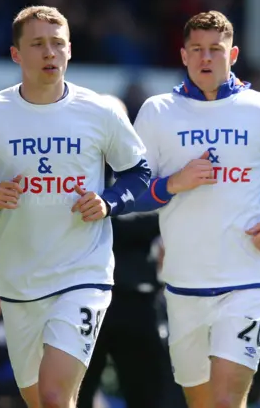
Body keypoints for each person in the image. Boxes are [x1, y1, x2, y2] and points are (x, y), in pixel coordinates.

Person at [0, 5, 151, 408]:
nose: (50, 53)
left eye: (57, 44)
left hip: (82, 274)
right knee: (40, 400)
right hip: (18, 280)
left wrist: (108, 202)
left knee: (55, 396)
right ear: (16, 54)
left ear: (69, 51)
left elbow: (138, 172)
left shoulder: (100, 111)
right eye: (37, 44)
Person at [131, 10, 260, 408]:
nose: (206, 58)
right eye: (197, 50)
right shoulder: (157, 112)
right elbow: (133, 190)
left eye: (215, 50)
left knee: (225, 401)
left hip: (250, 276)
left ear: (232, 54)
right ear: (183, 55)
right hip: (184, 282)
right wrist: (174, 183)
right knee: (200, 402)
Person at [76, 95, 168, 408]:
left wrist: (103, 210)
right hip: (82, 301)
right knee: (74, 395)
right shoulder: (72, 175)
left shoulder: (142, 172)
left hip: (135, 301)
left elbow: (156, 217)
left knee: (147, 396)